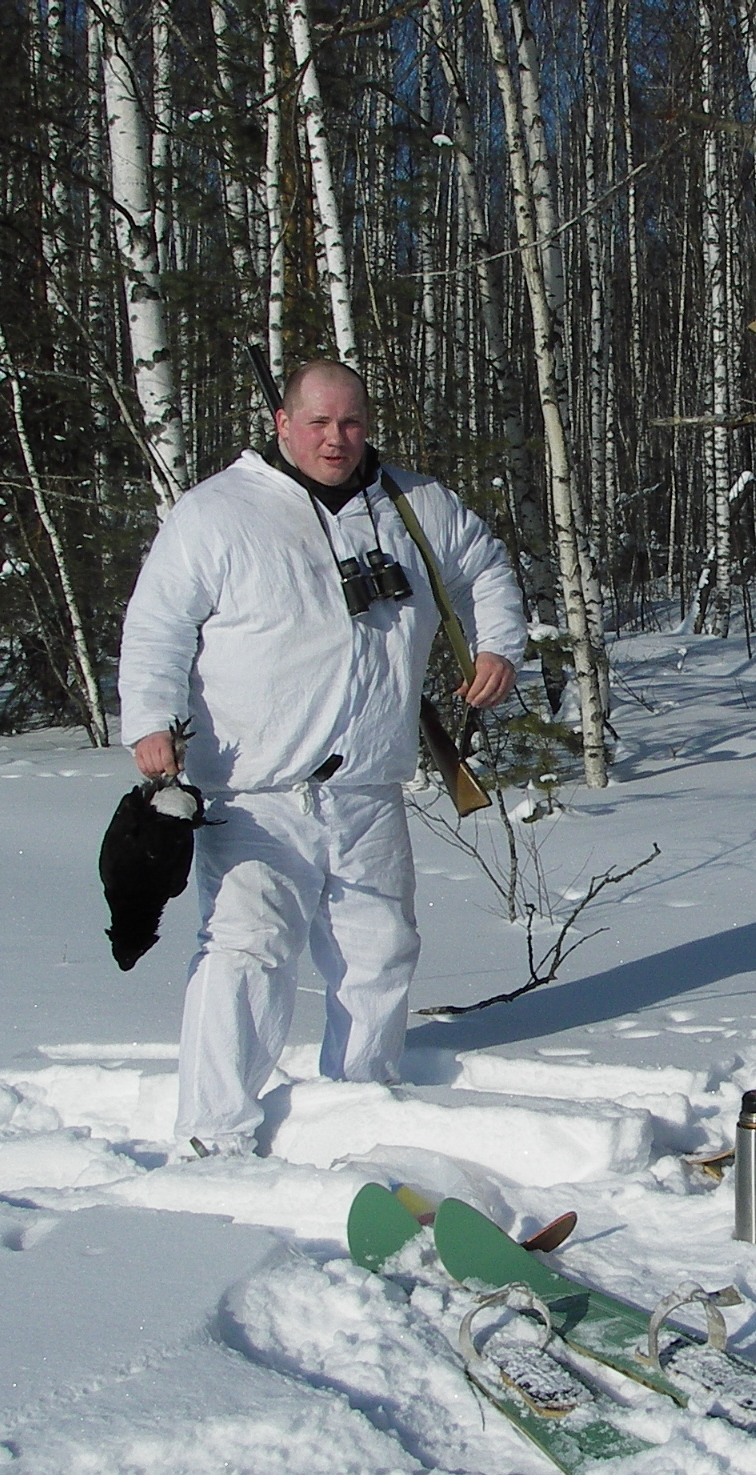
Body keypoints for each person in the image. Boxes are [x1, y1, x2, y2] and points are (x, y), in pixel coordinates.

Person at [119, 360, 527, 1156]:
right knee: (247, 952)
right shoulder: (218, 512)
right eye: (317, 423)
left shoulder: (417, 505)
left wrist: (498, 646)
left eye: (351, 422)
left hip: (369, 781)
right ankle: (213, 1135)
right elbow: (157, 623)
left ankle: (357, 1112)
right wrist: (151, 721)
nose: (336, 439)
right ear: (282, 423)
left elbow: (485, 564)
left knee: (378, 951)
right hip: (256, 788)